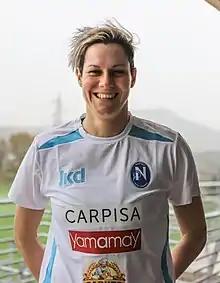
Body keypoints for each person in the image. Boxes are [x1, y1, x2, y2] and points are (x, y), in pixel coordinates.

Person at [8, 19, 207, 283]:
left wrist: (162, 277)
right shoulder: (47, 149)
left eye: (117, 72)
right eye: (94, 72)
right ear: (79, 76)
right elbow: (24, 236)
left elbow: (195, 234)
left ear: (132, 77)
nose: (106, 82)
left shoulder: (168, 147)